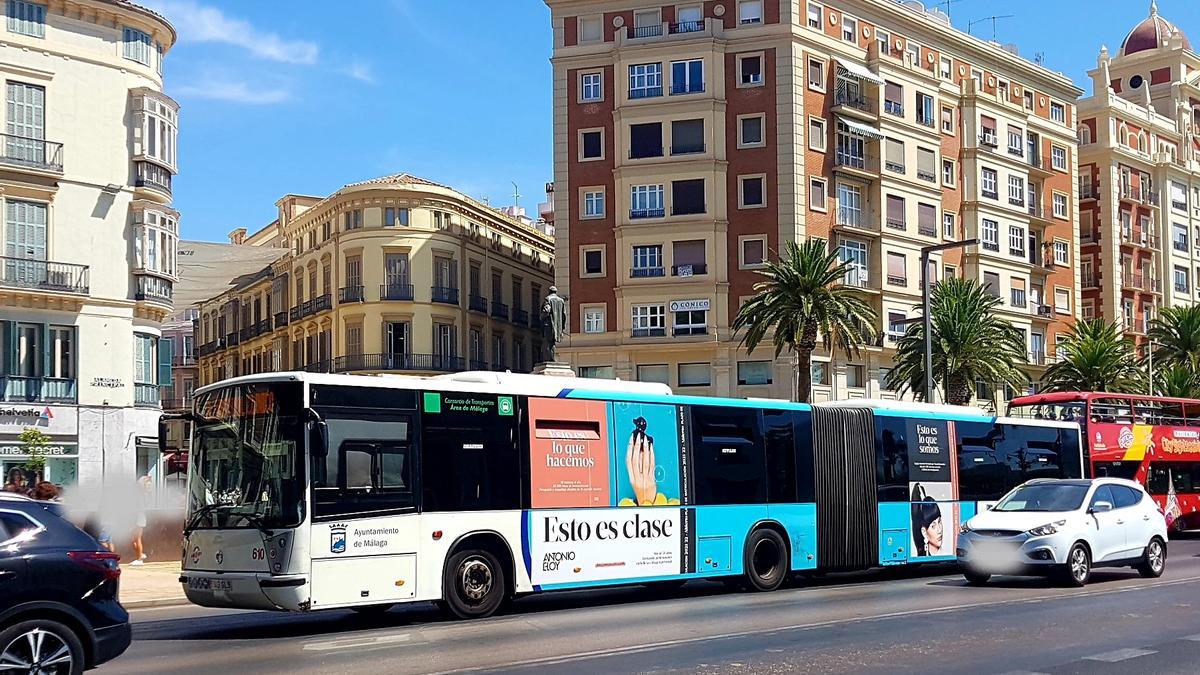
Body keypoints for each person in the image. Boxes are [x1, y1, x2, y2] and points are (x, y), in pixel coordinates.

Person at [130, 474, 151, 565]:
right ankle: (140, 555)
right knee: (134, 539)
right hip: (138, 517)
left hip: (139, 517)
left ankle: (139, 559)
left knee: (137, 538)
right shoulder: (141, 494)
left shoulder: (141, 494)